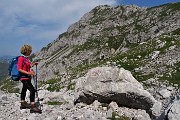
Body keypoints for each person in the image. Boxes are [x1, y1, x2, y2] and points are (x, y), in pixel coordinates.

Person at [17, 44, 42, 113]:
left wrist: (33, 64)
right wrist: (29, 73)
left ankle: (23, 104)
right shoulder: (21, 58)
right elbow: (19, 69)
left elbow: (27, 67)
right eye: (29, 50)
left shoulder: (25, 58)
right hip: (24, 78)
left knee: (24, 89)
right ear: (26, 51)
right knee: (32, 90)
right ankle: (33, 107)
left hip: (26, 77)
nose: (30, 51)